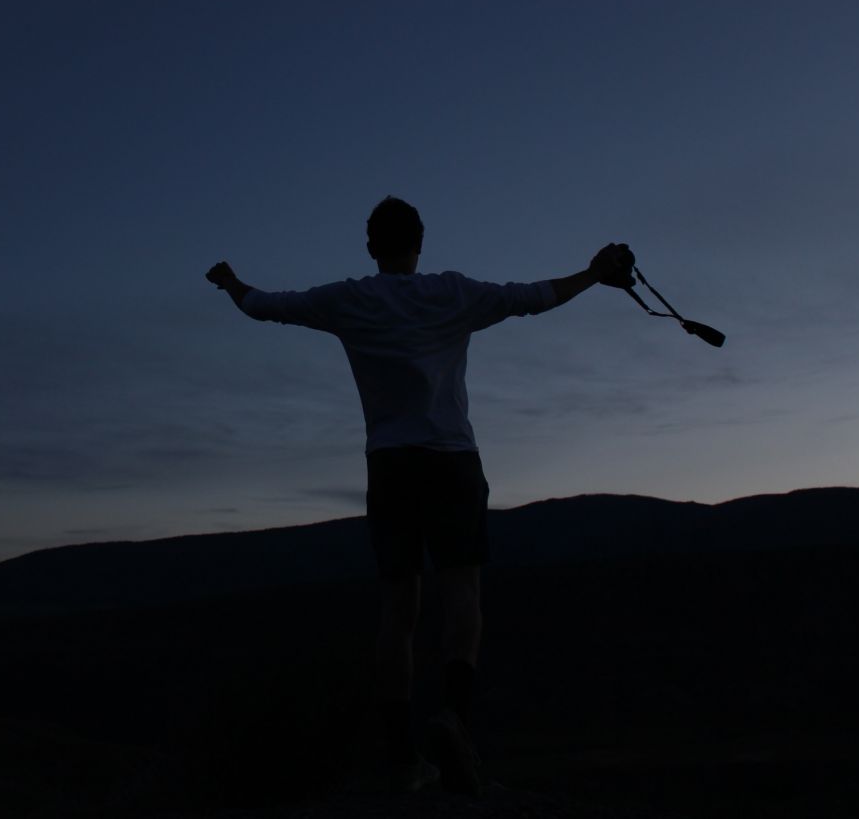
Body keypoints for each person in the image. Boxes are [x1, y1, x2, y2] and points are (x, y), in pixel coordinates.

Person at [205, 196, 631, 794]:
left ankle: (404, 761)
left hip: (391, 466)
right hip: (453, 460)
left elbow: (262, 306)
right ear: (420, 242)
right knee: (463, 594)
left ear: (370, 246)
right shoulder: (453, 293)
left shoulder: (347, 299)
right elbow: (533, 298)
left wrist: (229, 282)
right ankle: (454, 719)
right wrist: (593, 273)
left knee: (398, 612)